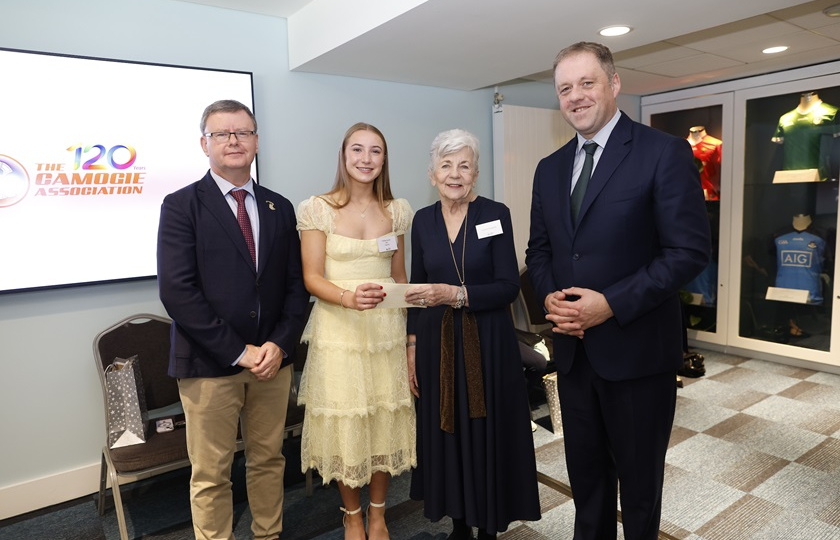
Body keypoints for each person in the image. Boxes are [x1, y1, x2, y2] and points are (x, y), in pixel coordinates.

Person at [525, 42, 710, 540]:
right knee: (587, 484)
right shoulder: (549, 168)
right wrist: (547, 298)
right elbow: (538, 252)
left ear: (613, 84)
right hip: (573, 356)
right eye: (565, 88)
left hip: (638, 352)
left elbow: (688, 252)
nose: (576, 96)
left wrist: (611, 304)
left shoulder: (663, 152)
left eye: (587, 83)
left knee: (640, 487)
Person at [157, 99, 309, 540]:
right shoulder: (181, 205)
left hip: (271, 363)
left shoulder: (279, 207)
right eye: (222, 134)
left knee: (269, 460)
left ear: (257, 141)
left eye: (242, 132)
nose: (233, 141)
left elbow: (295, 288)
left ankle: (268, 534)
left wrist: (279, 344)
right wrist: (239, 351)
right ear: (204, 143)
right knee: (211, 473)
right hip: (210, 364)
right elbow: (177, 292)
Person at [405, 129, 541, 540]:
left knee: (487, 428)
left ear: (476, 173)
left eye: (464, 165)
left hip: (488, 341)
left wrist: (458, 295)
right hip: (435, 344)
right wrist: (411, 347)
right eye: (446, 165)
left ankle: (489, 525)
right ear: (432, 174)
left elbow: (508, 286)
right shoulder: (422, 221)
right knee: (448, 428)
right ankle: (459, 522)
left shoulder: (495, 214)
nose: (455, 174)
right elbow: (416, 287)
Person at [296, 123, 416, 540]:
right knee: (347, 424)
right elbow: (311, 277)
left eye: (376, 151)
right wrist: (347, 298)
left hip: (385, 330)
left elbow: (399, 276)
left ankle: (379, 513)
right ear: (344, 156)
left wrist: (409, 340)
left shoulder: (398, 210)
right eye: (358, 150)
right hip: (339, 329)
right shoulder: (317, 208)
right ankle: (351, 516)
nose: (366, 159)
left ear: (385, 159)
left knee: (383, 419)